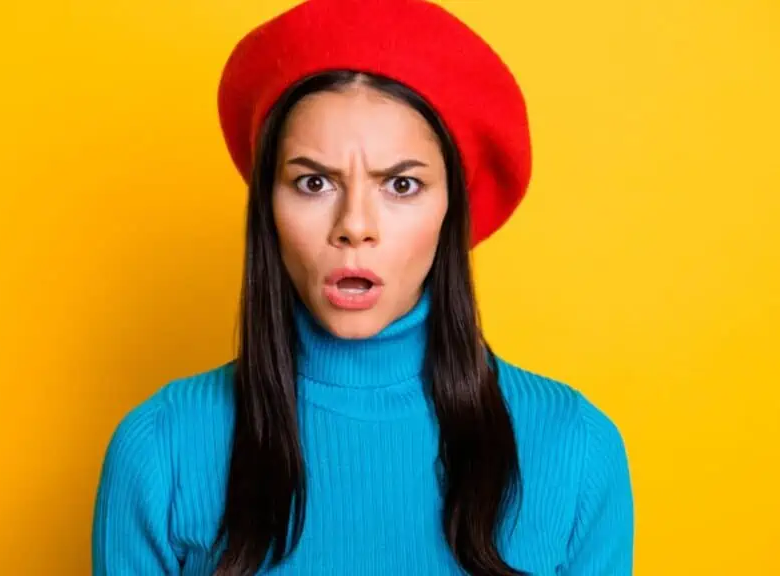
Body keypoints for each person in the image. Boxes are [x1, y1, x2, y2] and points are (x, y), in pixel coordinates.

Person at [91, 0, 634, 574]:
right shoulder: (160, 451)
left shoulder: (577, 451)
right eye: (314, 181)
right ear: (268, 207)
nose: (354, 225)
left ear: (453, 209)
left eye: (400, 184)